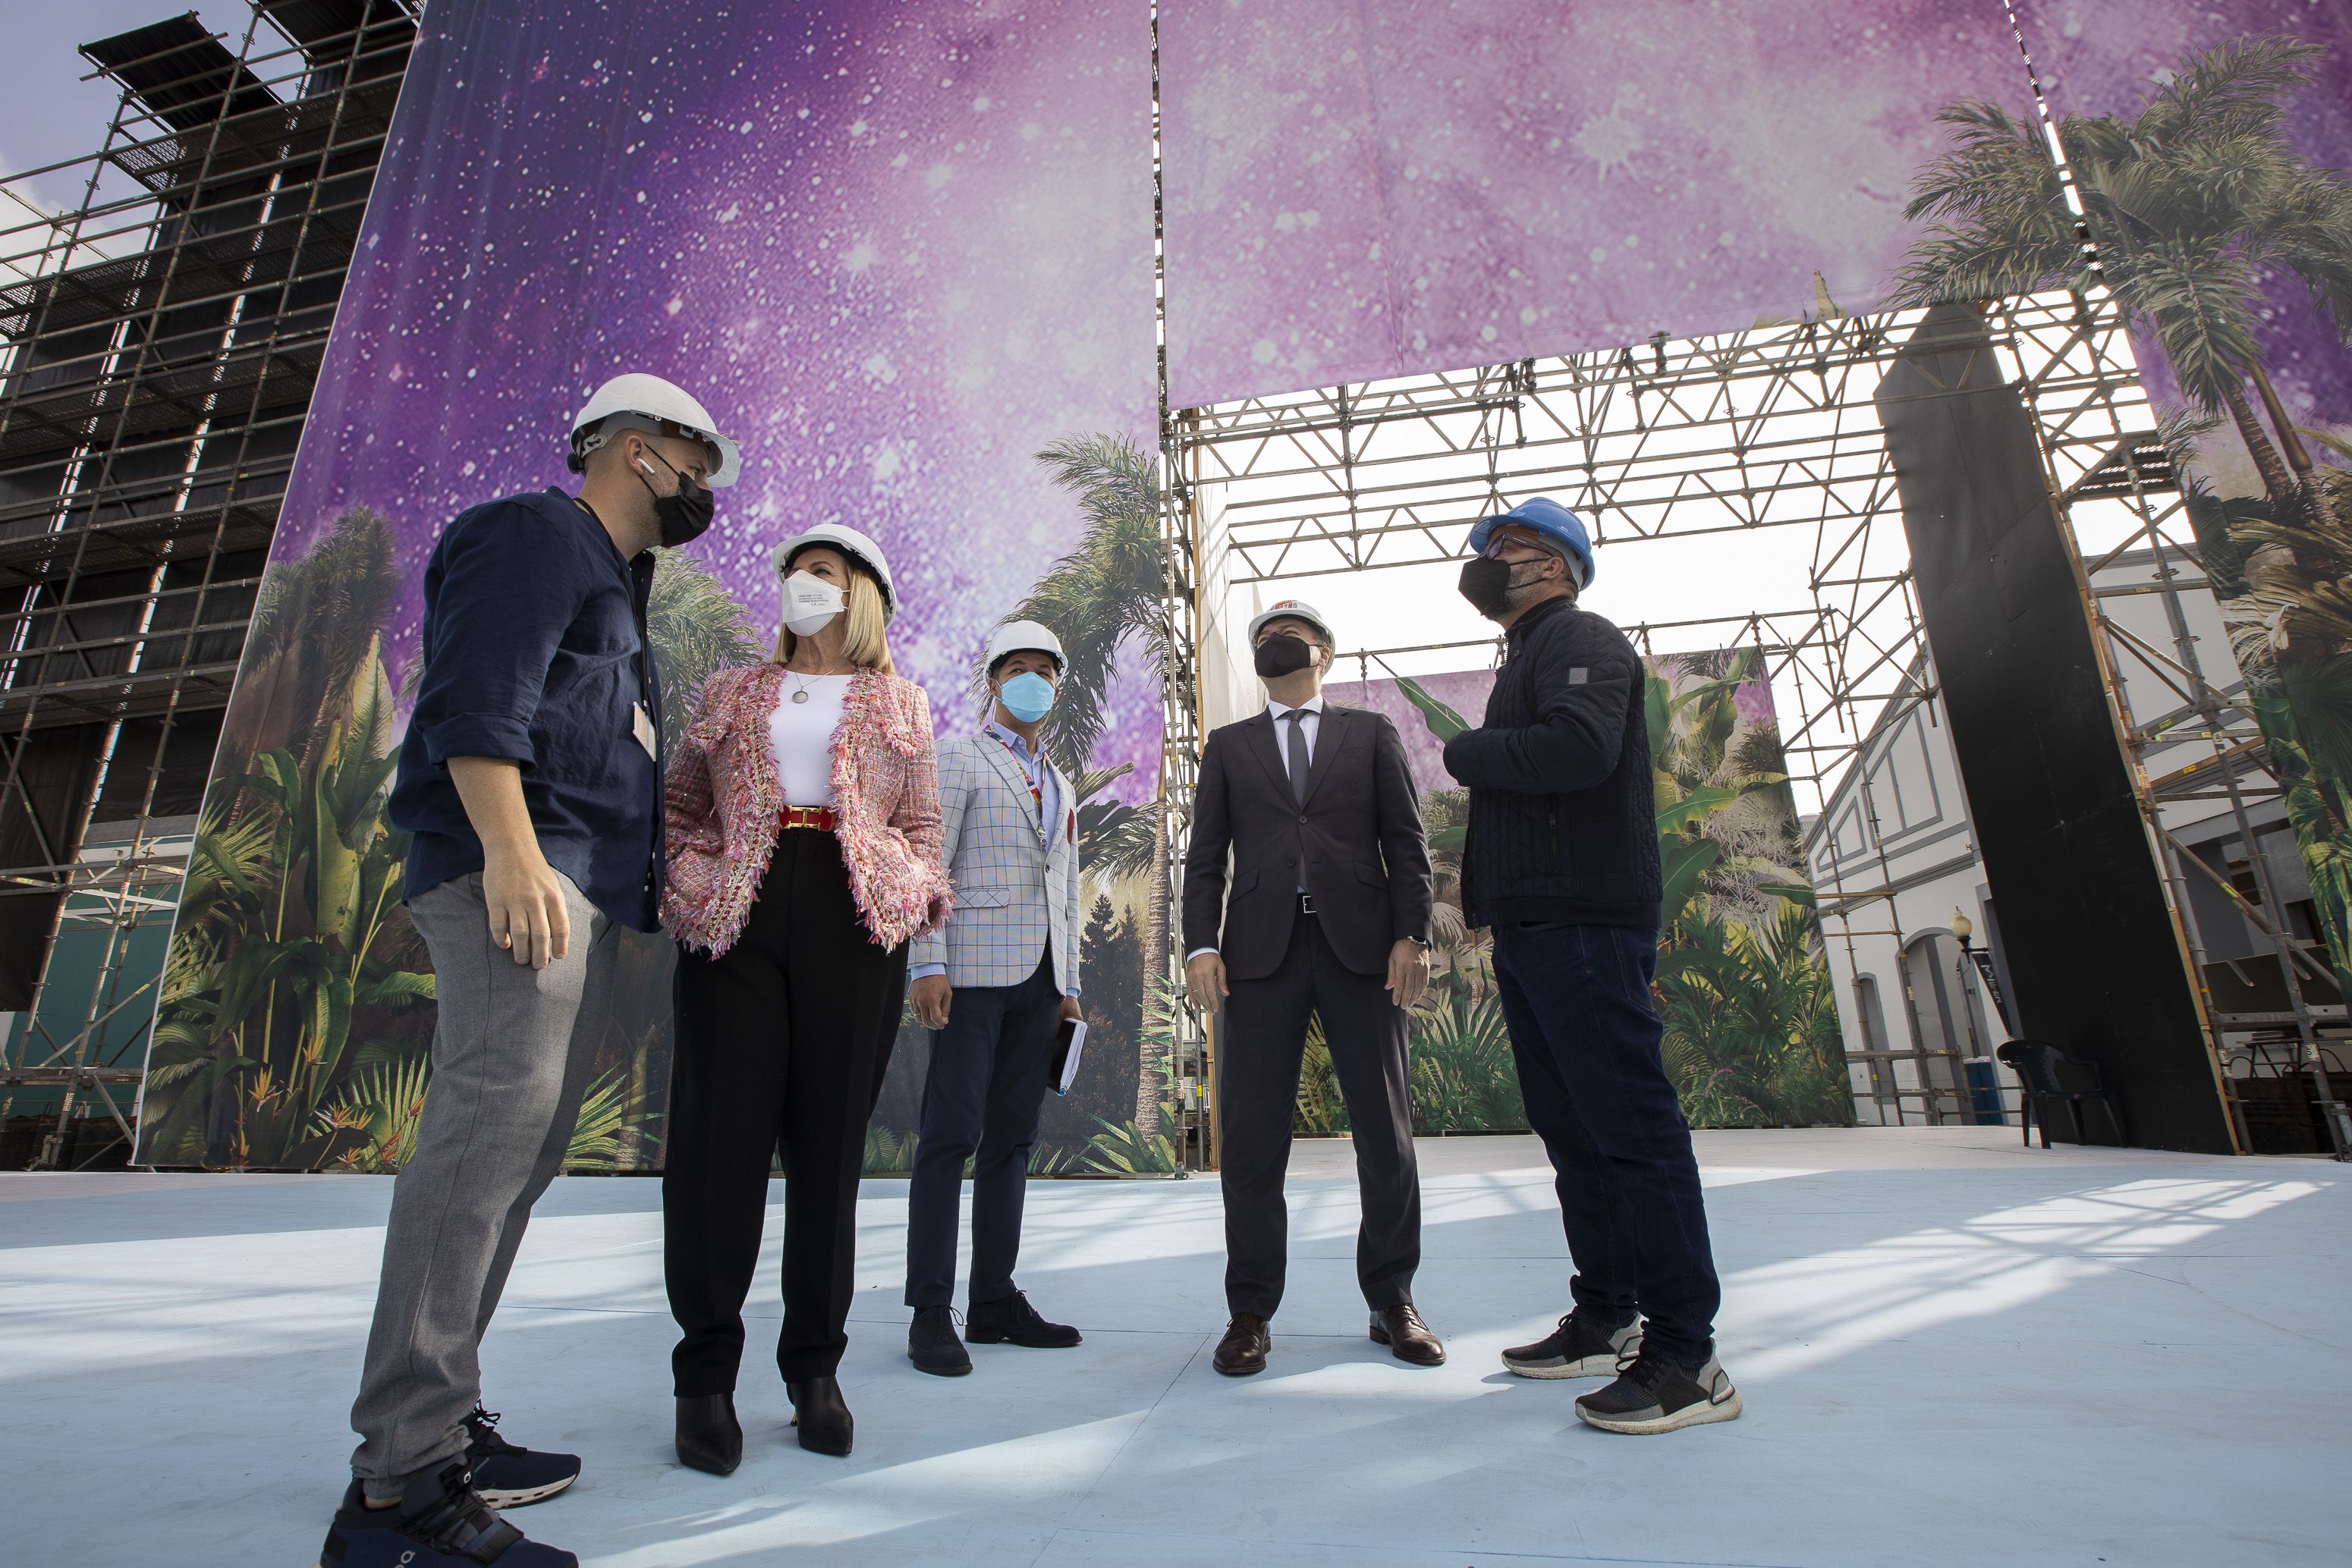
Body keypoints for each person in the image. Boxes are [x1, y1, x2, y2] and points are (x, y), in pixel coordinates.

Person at [324, 372, 739, 1568]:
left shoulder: (616, 586)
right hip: (517, 875)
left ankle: (440, 1424)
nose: (702, 480)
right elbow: (475, 699)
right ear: (623, 447)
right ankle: (396, 1492)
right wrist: (511, 852)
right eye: (689, 453)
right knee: (478, 1148)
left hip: (576, 894)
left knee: (523, 1151)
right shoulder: (533, 533)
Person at [1442, 496, 1742, 1434]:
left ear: (1559, 566)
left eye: (1511, 548)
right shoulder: (1528, 655)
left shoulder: (1583, 638)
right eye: (1488, 549)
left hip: (1583, 922)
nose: (1491, 562)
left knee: (1630, 1130)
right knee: (1573, 1132)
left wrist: (1467, 750)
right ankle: (1606, 1312)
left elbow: (1577, 750)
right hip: (1536, 927)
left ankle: (1687, 1356)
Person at [659, 523, 949, 1474]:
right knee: (719, 1150)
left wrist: (906, 886)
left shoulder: (898, 699)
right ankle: (704, 1379)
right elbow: (684, 806)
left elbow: (919, 823)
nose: (801, 586)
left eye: (821, 573)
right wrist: (697, 879)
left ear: (861, 591)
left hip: (850, 913)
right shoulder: (732, 689)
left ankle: (814, 1370)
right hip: (739, 908)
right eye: (794, 574)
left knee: (828, 1151)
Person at [1181, 599, 1439, 1377]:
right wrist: (1199, 944)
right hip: (1258, 959)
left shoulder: (1370, 733)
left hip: (1362, 950)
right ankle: (1250, 1312)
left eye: (1289, 634)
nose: (1274, 643)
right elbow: (1205, 859)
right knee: (1252, 1142)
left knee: (1384, 1135)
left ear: (1323, 652)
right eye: (1261, 638)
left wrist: (1414, 933)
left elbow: (1406, 840)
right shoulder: (1228, 747)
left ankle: (1391, 1299)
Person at [901, 620, 1086, 1375]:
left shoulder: (1061, 780)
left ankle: (993, 1300)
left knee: (1012, 1141)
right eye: (1018, 667)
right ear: (992, 680)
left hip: (1039, 985)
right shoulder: (957, 756)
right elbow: (925, 864)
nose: (1032, 679)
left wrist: (1069, 989)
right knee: (950, 1138)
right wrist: (925, 964)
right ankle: (928, 1310)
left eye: (1046, 669)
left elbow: (1066, 890)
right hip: (969, 978)